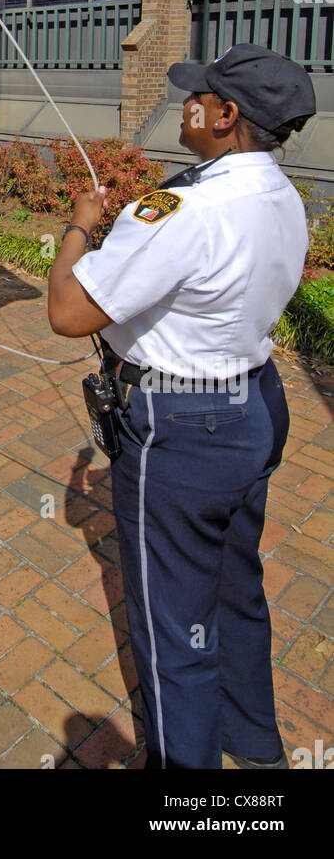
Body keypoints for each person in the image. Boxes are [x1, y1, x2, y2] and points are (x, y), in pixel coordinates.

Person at [47, 43, 316, 770]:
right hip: (253, 406)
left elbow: (71, 312)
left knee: (174, 630)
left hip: (181, 429)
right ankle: (253, 741)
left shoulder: (181, 209)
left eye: (197, 96)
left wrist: (79, 226)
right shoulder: (283, 195)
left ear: (227, 116)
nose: (185, 104)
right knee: (235, 584)